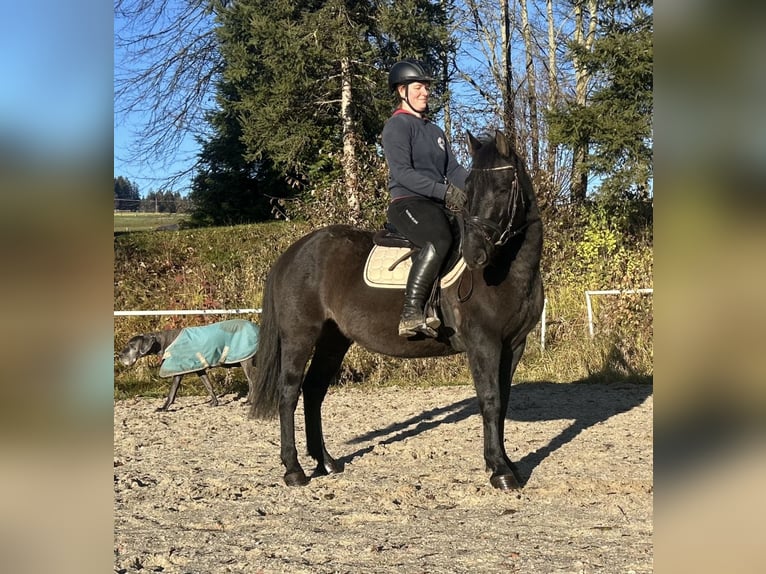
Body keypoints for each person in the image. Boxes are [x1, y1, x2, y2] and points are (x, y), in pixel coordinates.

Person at [381, 59, 469, 338]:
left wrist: (476, 189)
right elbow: (403, 173)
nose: (425, 92)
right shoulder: (397, 127)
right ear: (401, 90)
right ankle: (410, 313)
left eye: (427, 88)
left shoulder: (436, 131)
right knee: (439, 239)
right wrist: (445, 191)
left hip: (435, 204)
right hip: (407, 203)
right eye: (418, 87)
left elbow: (452, 170)